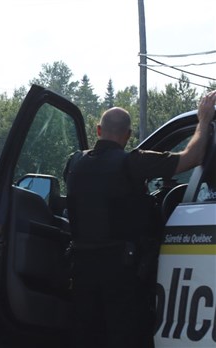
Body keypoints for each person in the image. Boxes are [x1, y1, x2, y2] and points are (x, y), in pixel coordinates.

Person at [63, 90, 216, 348]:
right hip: (120, 273)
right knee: (126, 336)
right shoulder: (134, 163)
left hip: (81, 271)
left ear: (98, 131)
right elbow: (192, 157)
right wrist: (203, 121)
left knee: (87, 336)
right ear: (128, 136)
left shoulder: (74, 163)